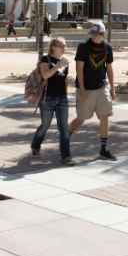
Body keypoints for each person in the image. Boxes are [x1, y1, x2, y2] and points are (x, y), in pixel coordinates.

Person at [68, 21, 117, 161]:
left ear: (103, 33)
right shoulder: (84, 46)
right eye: (92, 33)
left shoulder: (107, 47)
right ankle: (66, 135)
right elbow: (79, 68)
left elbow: (109, 68)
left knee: (104, 116)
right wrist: (82, 88)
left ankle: (104, 148)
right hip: (86, 88)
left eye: (96, 34)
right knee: (82, 117)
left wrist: (112, 88)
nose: (93, 36)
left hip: (102, 87)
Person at [30, 36, 74, 165]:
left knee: (64, 127)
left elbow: (64, 80)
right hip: (47, 98)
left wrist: (65, 96)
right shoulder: (46, 59)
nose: (63, 48)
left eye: (65, 46)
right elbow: (45, 75)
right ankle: (35, 145)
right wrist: (58, 66)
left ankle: (66, 156)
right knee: (45, 125)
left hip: (61, 98)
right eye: (61, 46)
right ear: (53, 47)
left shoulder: (64, 62)